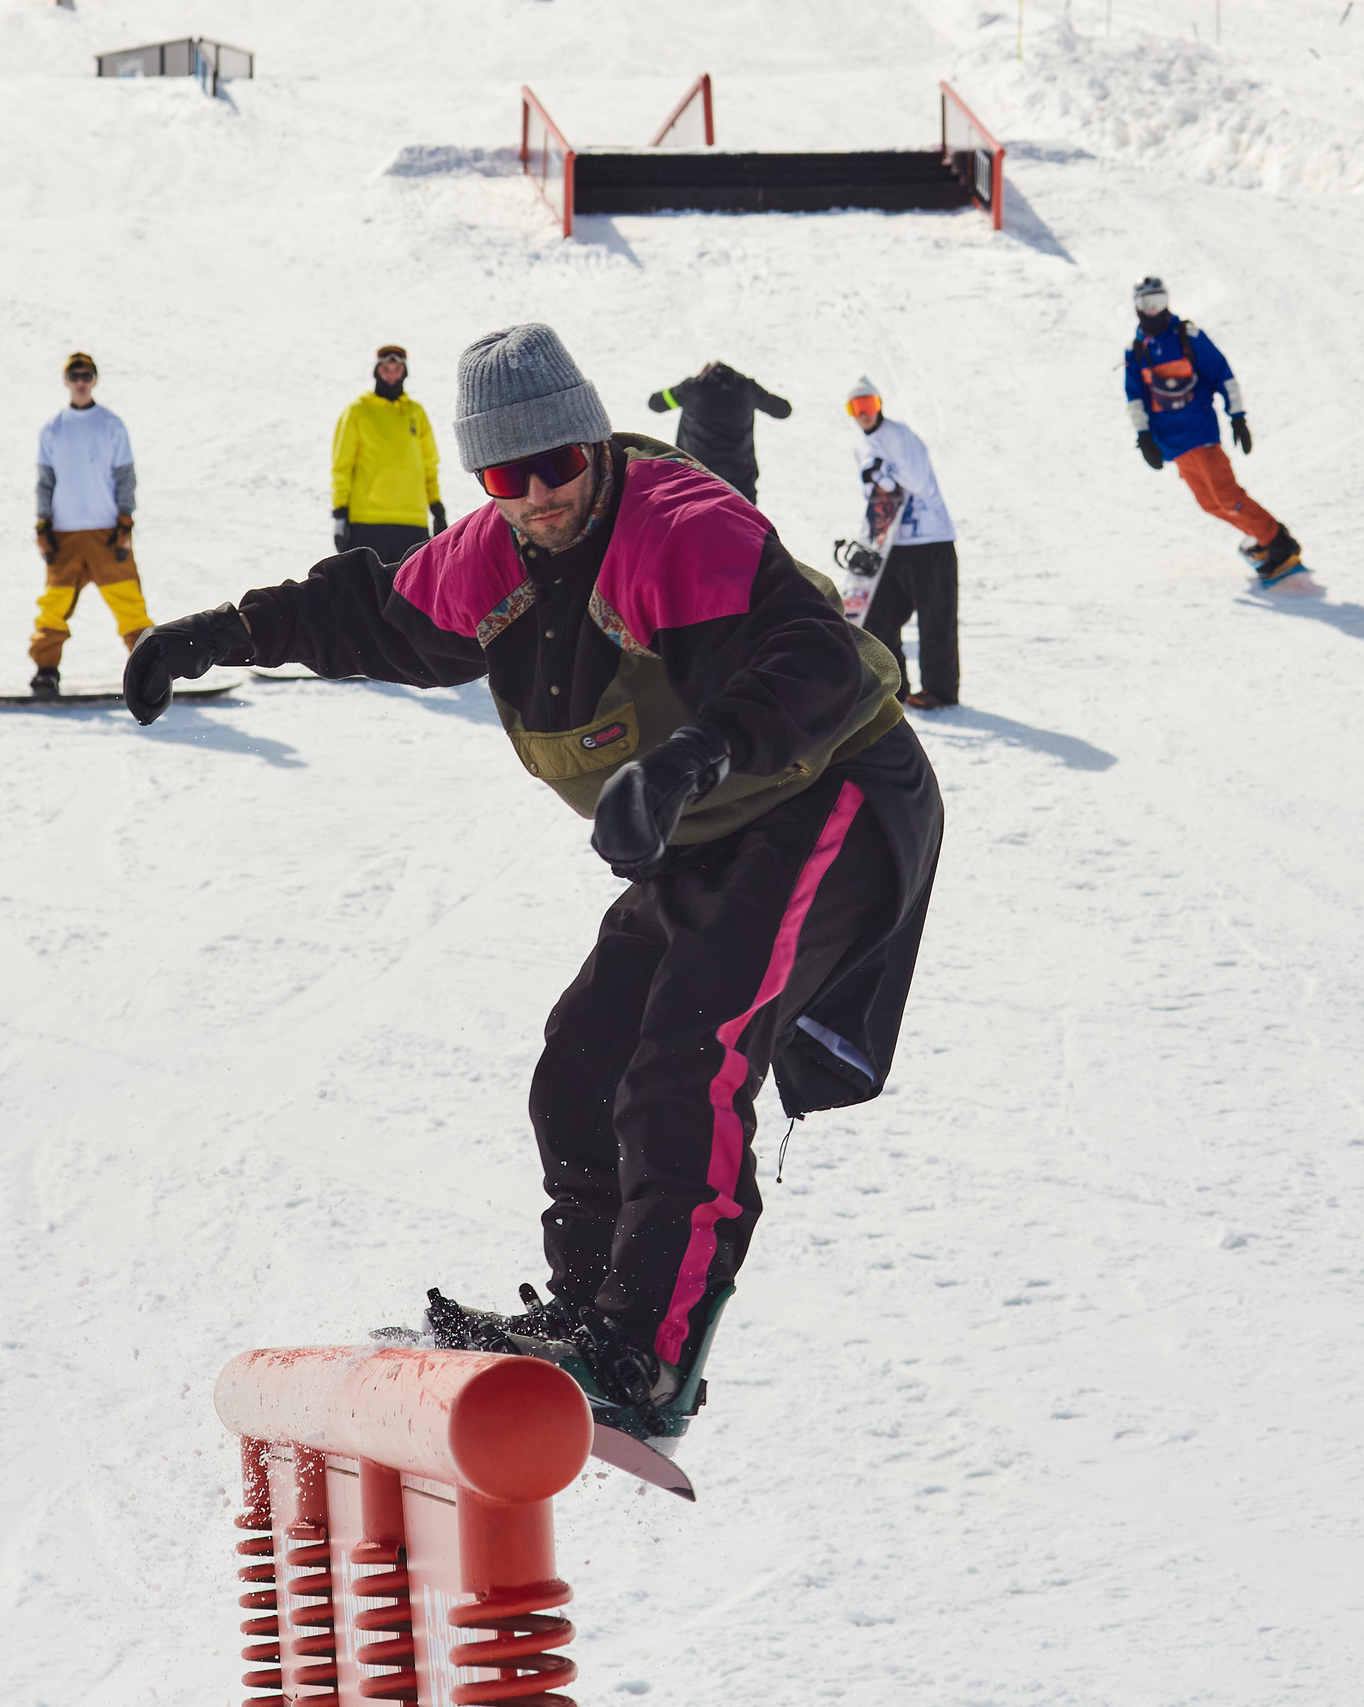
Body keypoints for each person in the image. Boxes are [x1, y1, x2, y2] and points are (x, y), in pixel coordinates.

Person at [126, 324, 943, 1443]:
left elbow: (808, 660)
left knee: (688, 1058)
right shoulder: (489, 560)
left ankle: (648, 1355)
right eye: (511, 477)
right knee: (582, 1062)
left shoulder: (678, 527)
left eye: (561, 462)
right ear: (481, 479)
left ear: (593, 444)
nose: (542, 493)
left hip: (827, 796)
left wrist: (693, 757)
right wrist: (214, 634)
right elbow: (365, 613)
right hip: (700, 832)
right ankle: (585, 1314)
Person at [1123, 276, 1302, 582]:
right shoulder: (1137, 350)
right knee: (1210, 503)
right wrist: (1143, 437)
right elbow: (1135, 398)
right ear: (1137, 308)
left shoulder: (1186, 336)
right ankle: (1263, 536)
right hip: (1172, 443)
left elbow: (1223, 375)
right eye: (1146, 305)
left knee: (1225, 494)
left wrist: (1238, 417)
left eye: (1159, 303)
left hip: (1200, 432)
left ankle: (1278, 543)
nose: (1154, 312)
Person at [28, 352, 148, 699]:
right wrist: (42, 524)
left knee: (130, 605)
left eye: (87, 376)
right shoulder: (54, 428)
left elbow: (125, 476)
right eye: (75, 376)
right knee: (54, 605)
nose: (81, 382)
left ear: (94, 380)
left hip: (107, 533)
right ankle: (45, 671)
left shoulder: (111, 424)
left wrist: (125, 521)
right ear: (66, 381)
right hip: (64, 535)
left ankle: (150, 667)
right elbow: (45, 480)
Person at [844, 378, 961, 711]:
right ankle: (893, 689)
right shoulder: (861, 446)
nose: (864, 414)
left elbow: (917, 482)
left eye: (869, 405)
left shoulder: (900, 436)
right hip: (892, 544)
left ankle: (941, 691)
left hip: (930, 539)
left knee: (935, 618)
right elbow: (875, 497)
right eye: (857, 408)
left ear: (879, 405)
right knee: (879, 617)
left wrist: (884, 469)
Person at [329, 344, 446, 566]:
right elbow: (342, 465)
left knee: (412, 596)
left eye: (397, 370)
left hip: (412, 521)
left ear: (404, 372)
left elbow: (429, 463)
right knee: (366, 596)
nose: (392, 375)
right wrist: (340, 514)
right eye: (386, 369)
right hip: (367, 521)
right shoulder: (358, 411)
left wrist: (436, 507)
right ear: (376, 371)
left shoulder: (416, 412)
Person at [643, 360, 791, 503]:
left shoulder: (692, 389)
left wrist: (691, 382)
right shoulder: (747, 389)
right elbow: (783, 410)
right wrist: (750, 385)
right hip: (740, 486)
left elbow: (655, 403)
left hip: (695, 479)